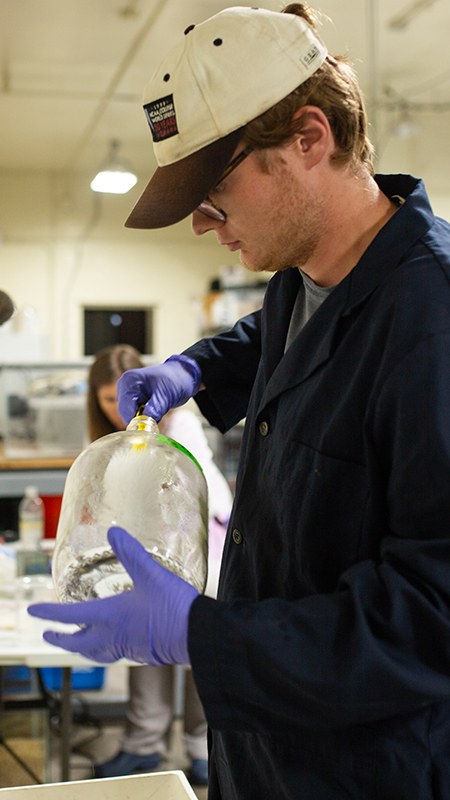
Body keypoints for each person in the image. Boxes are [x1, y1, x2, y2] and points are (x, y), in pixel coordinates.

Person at [29, 5, 450, 799]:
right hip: (261, 759)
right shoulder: (307, 280)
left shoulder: (434, 323)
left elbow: (432, 620)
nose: (200, 223)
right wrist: (193, 367)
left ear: (309, 139)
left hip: (369, 773)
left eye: (217, 189)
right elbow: (276, 340)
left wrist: (204, 635)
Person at [85, 345, 232, 785]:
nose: (116, 410)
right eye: (107, 400)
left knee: (199, 649)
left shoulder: (179, 425)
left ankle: (202, 748)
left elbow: (189, 496)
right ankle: (144, 744)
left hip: (203, 547)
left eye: (122, 398)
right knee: (149, 646)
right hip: (147, 552)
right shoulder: (105, 438)